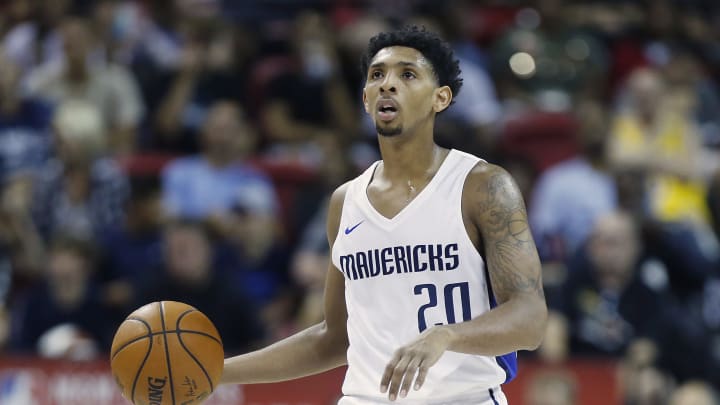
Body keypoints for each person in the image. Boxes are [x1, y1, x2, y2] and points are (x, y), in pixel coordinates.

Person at [221, 26, 547, 404]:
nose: (387, 85)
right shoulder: (345, 202)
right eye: (377, 75)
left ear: (440, 98)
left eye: (407, 74)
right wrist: (216, 370)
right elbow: (333, 338)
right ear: (364, 98)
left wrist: (448, 335)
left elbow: (530, 319)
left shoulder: (482, 186)